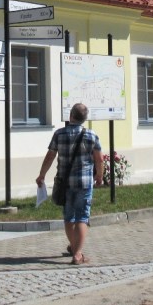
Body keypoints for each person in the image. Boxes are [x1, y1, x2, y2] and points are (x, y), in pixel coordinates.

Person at [36, 103, 103, 265]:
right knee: (82, 217)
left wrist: (42, 175)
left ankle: (74, 247)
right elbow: (99, 158)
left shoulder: (59, 134)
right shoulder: (91, 135)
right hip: (84, 182)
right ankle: (77, 254)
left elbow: (50, 156)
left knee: (69, 217)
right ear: (85, 119)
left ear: (70, 116)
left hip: (65, 183)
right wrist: (99, 176)